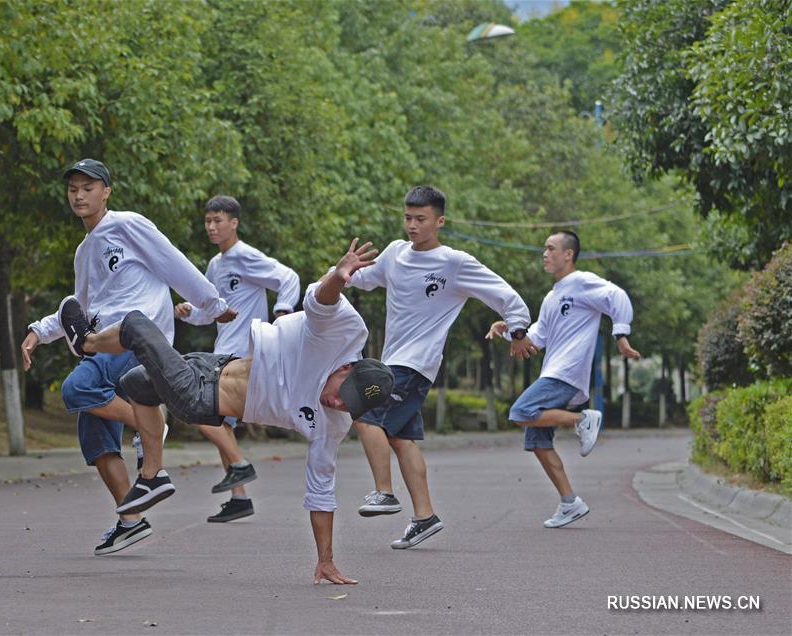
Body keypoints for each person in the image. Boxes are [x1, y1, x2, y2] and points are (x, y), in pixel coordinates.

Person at [58, 239, 394, 584]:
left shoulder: (333, 424)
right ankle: (153, 475)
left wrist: (326, 559)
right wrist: (337, 277)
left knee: (135, 326)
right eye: (343, 395)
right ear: (346, 368)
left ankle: (86, 344)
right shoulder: (345, 333)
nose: (338, 405)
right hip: (215, 365)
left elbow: (321, 488)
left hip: (201, 398)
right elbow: (319, 302)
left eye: (349, 407)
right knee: (137, 383)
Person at [21, 159, 235, 556]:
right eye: (73, 189)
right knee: (94, 439)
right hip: (100, 338)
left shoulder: (128, 225)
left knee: (77, 388)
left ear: (106, 192)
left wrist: (212, 303)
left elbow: (175, 264)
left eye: (89, 187)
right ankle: (131, 520)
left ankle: (151, 427)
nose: (79, 195)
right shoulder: (84, 251)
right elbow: (79, 305)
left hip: (135, 339)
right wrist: (39, 330)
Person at [346, 186, 533, 549]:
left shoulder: (454, 262)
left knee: (362, 407)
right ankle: (424, 516)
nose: (412, 226)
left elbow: (504, 295)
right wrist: (343, 271)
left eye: (421, 219)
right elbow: (364, 281)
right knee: (401, 439)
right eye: (407, 218)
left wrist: (518, 329)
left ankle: (384, 493)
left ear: (440, 221)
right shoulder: (395, 253)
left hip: (416, 364)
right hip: (393, 359)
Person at [488, 230, 641, 528]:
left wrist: (621, 335)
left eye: (550, 248)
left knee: (520, 412)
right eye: (544, 249)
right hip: (554, 370)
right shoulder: (551, 296)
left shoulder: (581, 282)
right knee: (537, 440)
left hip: (566, 371)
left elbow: (617, 296)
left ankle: (581, 419)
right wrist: (509, 331)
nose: (544, 254)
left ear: (568, 254)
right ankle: (570, 502)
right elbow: (538, 338)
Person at [174, 194, 300, 523]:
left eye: (218, 220)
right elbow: (211, 313)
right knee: (215, 420)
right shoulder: (216, 265)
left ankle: (240, 467)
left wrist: (282, 313)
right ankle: (239, 497)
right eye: (208, 221)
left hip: (242, 353)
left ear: (235, 223)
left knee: (199, 410)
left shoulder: (244, 255)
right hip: (223, 350)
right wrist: (189, 313)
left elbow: (288, 278)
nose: (212, 227)